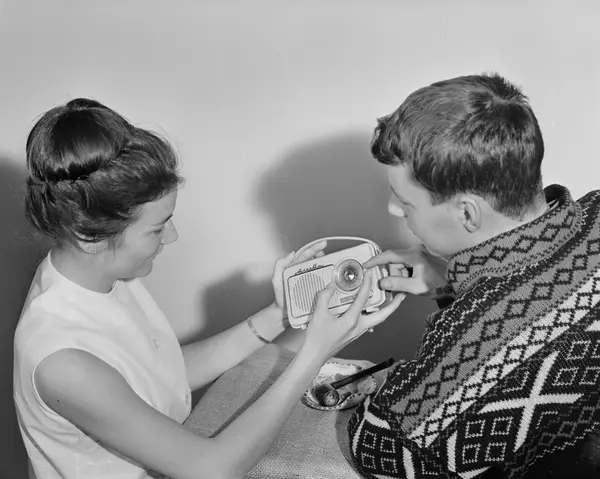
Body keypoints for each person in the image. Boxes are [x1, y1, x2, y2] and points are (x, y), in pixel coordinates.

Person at [12, 98, 405, 479]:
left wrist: (280, 314)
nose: (172, 236)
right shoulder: (63, 363)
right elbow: (213, 469)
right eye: (156, 228)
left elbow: (160, 374)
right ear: (90, 236)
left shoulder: (98, 278)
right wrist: (313, 355)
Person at [348, 73, 600, 478]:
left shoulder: (485, 335)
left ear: (467, 213)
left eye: (405, 202)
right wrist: (455, 285)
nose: (394, 209)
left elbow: (382, 448)